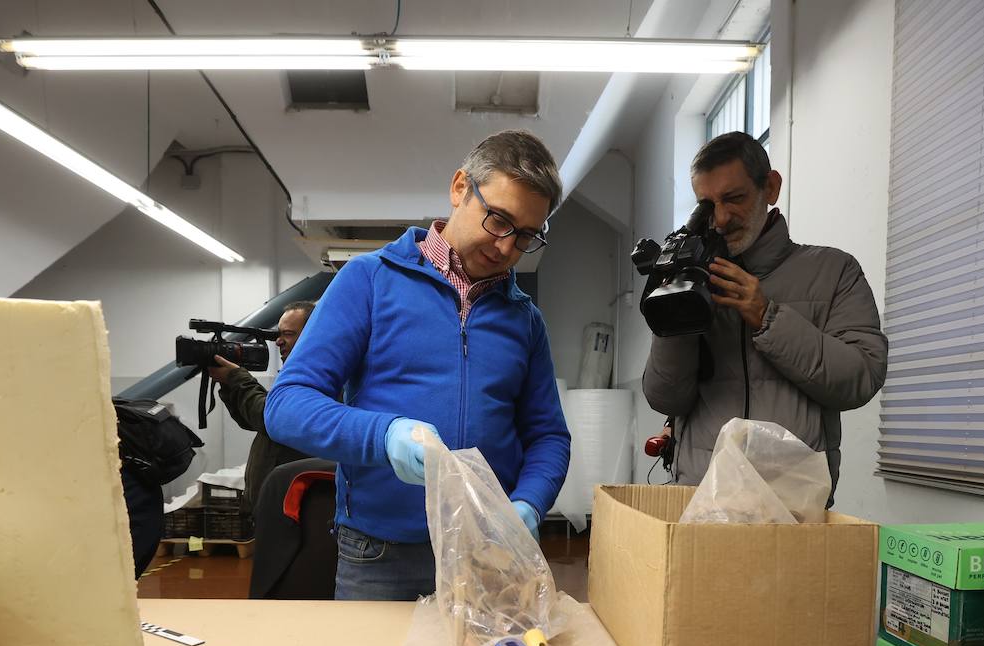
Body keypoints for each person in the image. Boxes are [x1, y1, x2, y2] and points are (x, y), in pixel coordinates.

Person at [264, 129, 571, 601]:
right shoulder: (368, 281)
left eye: (527, 235)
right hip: (381, 557)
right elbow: (287, 405)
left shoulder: (525, 320)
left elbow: (548, 436)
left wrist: (529, 504)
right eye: (498, 220)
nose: (508, 248)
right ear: (459, 188)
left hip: (487, 557)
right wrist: (383, 435)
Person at [642, 131, 888, 504]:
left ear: (770, 187)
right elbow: (666, 398)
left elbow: (861, 377)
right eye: (707, 205)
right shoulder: (693, 280)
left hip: (794, 504)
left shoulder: (835, 271)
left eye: (735, 198)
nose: (721, 219)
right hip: (701, 501)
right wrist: (677, 313)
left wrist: (766, 316)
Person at [206, 301, 314, 511]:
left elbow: (269, 418)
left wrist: (238, 378)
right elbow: (253, 421)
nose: (278, 342)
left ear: (313, 334)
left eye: (288, 334)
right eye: (278, 334)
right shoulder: (293, 373)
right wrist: (229, 385)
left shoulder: (315, 379)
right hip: (272, 505)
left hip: (290, 509)